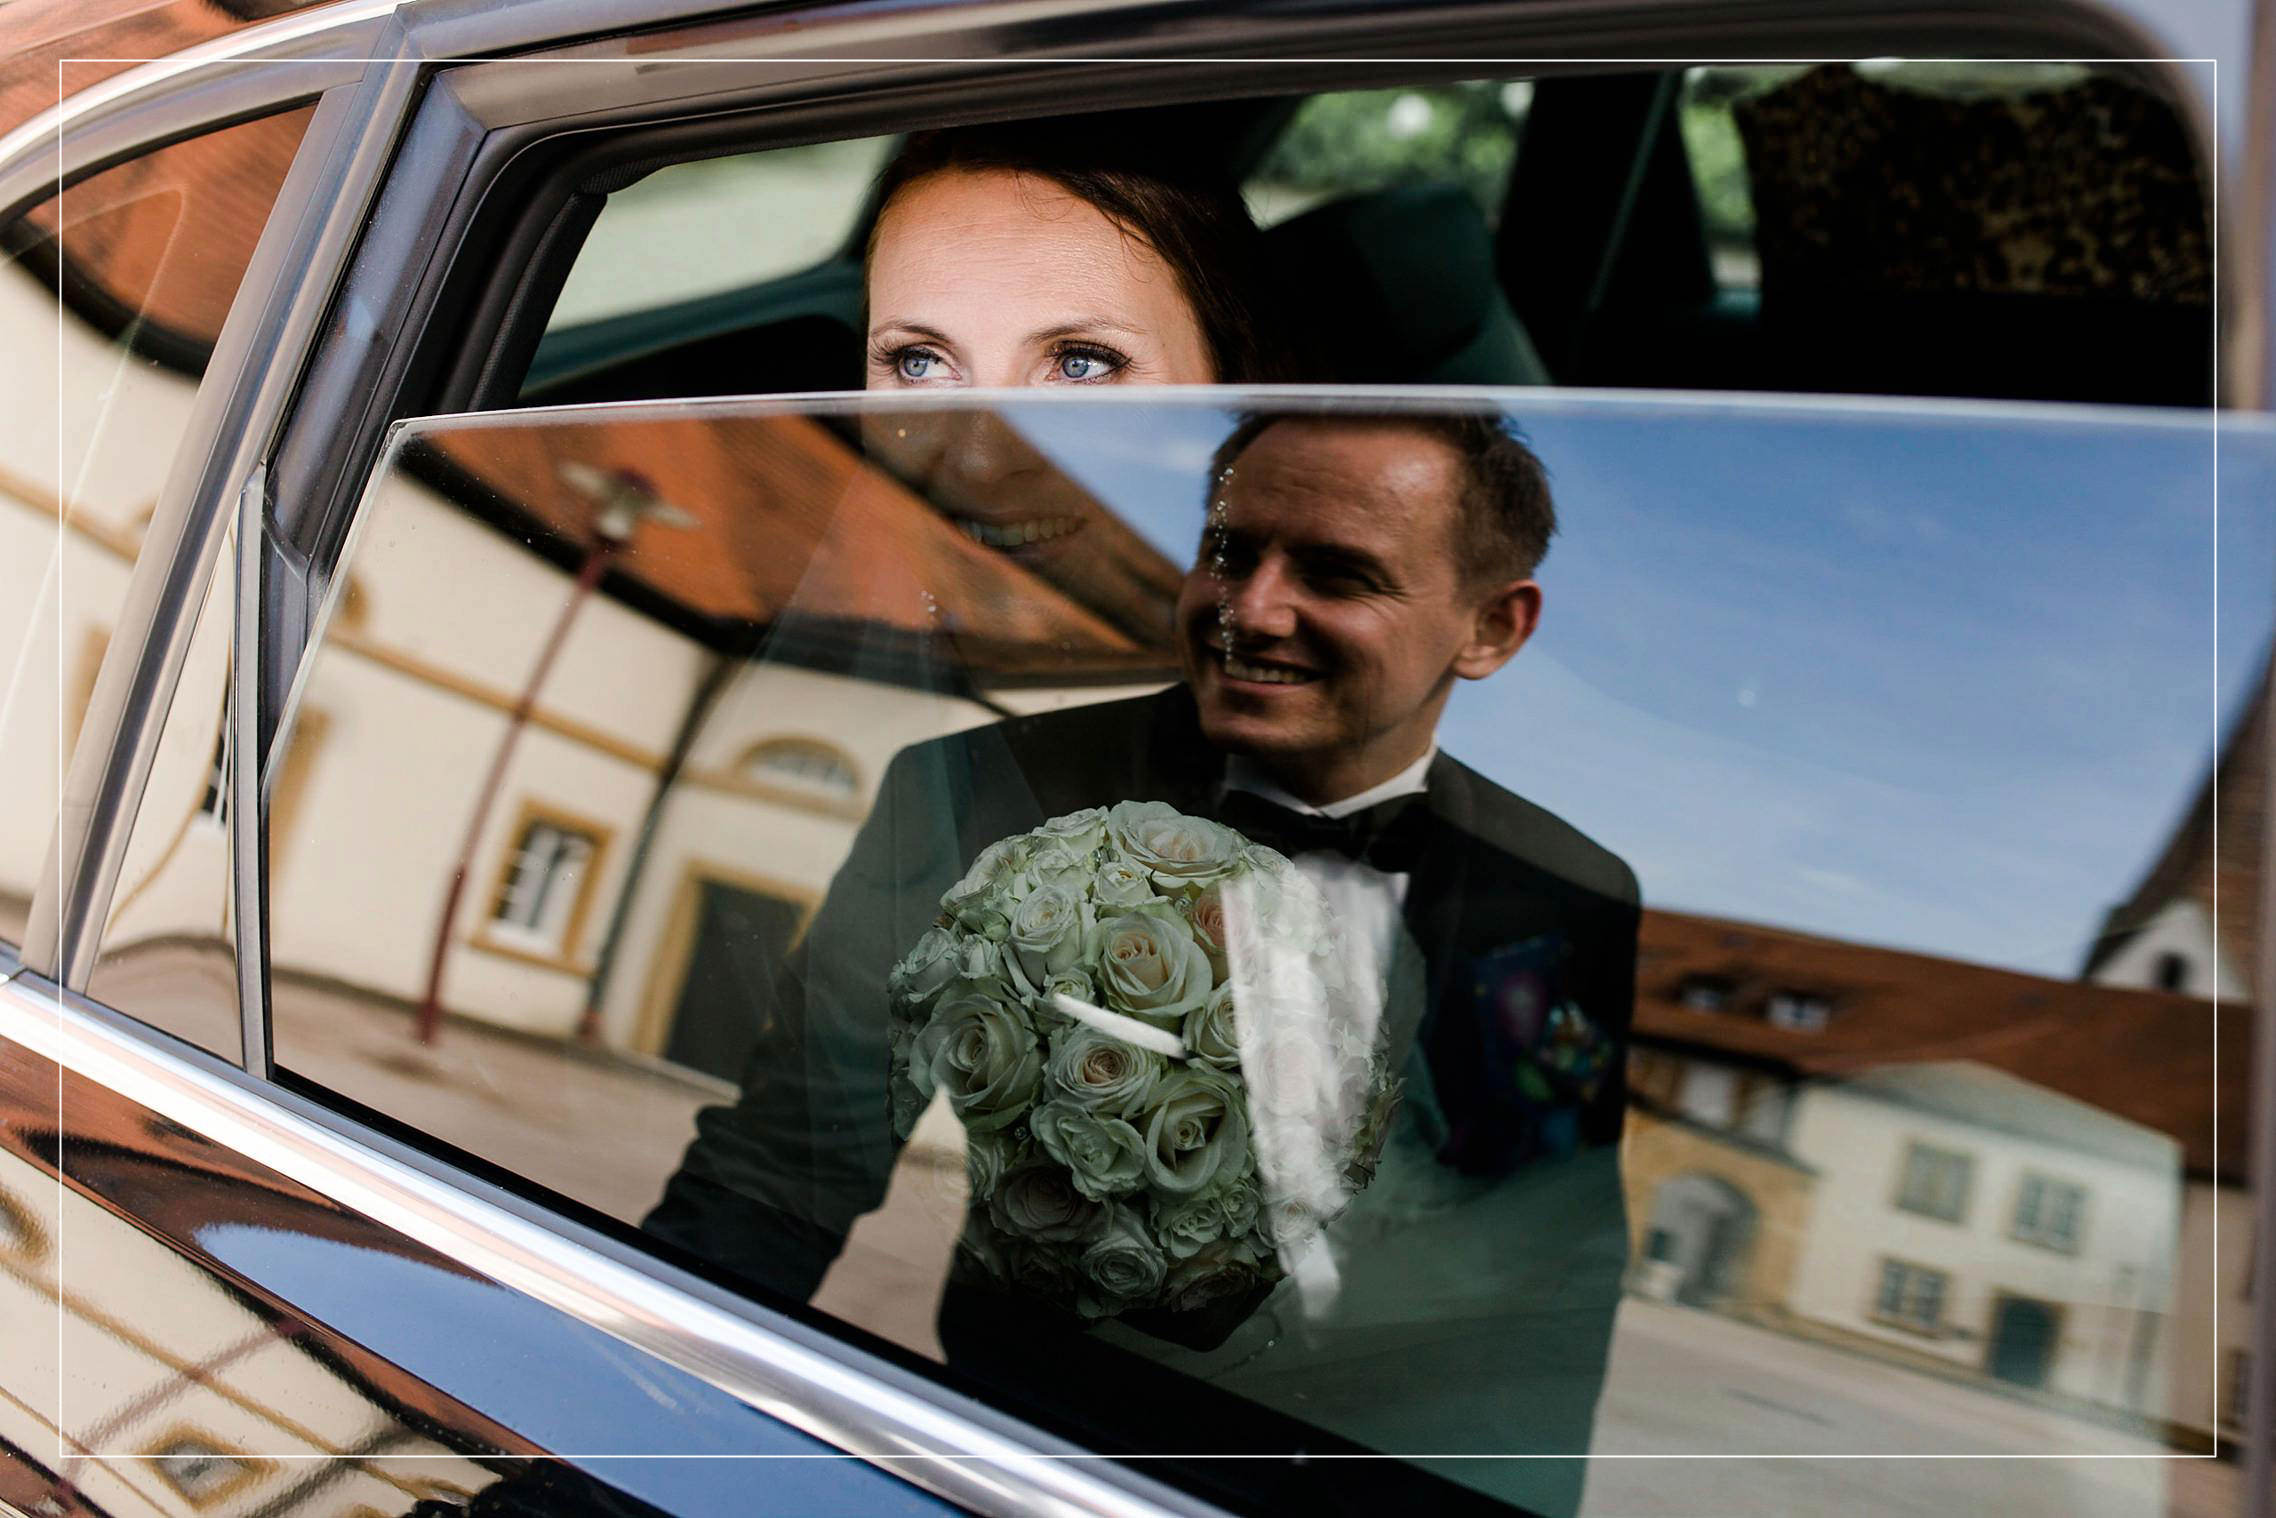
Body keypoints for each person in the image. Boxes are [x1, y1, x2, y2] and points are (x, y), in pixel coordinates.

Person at [646, 406, 1639, 1517]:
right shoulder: (976, 790)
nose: (1250, 610)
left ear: (1490, 629)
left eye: (1337, 574)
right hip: (1030, 1459)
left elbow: (1546, 1273)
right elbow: (782, 1172)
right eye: (1228, 550)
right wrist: (639, 1434)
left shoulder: (1565, 891)